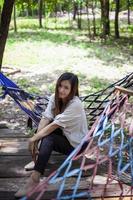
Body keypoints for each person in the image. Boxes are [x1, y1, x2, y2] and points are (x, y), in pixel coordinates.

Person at [15, 72, 88, 198]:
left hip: (77, 145)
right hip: (66, 135)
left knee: (49, 136)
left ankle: (34, 179)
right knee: (43, 129)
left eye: (66, 88)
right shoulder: (55, 98)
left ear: (73, 90)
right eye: (60, 86)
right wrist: (36, 141)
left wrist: (33, 139)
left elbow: (53, 126)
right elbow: (46, 118)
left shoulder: (76, 105)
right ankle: (38, 159)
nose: (61, 90)